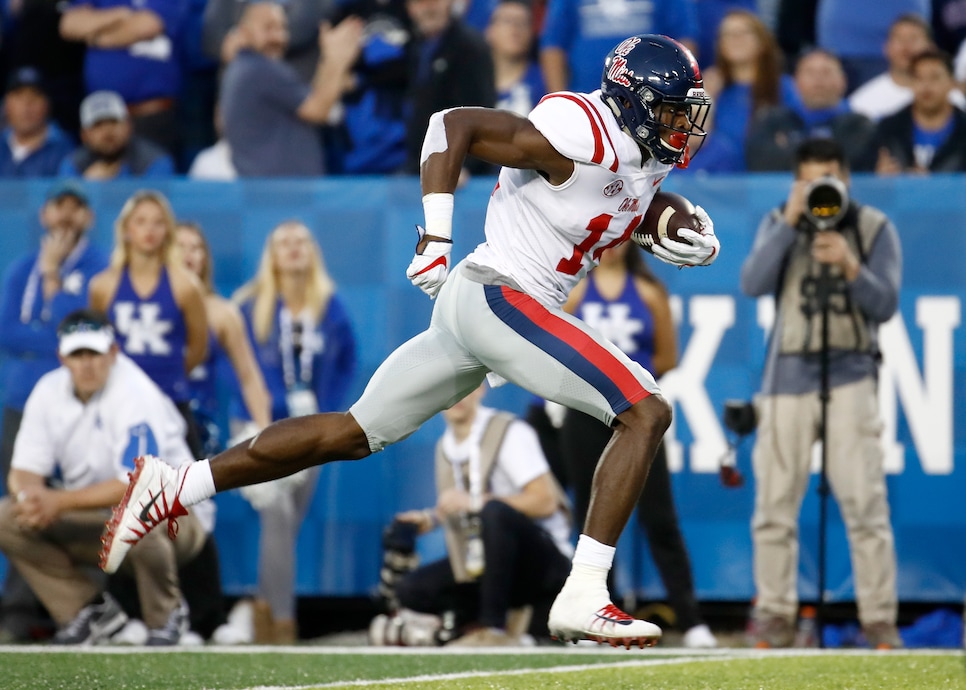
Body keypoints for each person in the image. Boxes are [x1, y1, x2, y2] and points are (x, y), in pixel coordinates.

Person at [100, 33, 720, 648]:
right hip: (500, 295)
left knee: (350, 432)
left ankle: (177, 484)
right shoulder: (580, 129)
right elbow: (452, 126)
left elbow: (621, 197)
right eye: (669, 110)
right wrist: (435, 235)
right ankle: (584, 591)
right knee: (645, 410)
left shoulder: (642, 152)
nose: (680, 126)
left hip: (479, 310)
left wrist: (668, 220)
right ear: (631, 100)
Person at [739, 138, 902, 650]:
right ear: (795, 182)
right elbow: (752, 283)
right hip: (785, 379)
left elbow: (886, 305)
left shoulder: (874, 227)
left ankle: (878, 620)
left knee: (866, 506)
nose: (820, 189)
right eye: (808, 180)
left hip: (851, 375)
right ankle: (774, 616)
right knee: (773, 506)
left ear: (847, 177)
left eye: (828, 177)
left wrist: (853, 266)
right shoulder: (779, 221)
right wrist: (789, 224)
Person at [0, 309, 207, 645]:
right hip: (95, 516)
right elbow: (23, 470)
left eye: (94, 353)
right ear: (62, 357)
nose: (86, 363)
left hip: (176, 519)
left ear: (113, 353)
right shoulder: (47, 391)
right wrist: (31, 500)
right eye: (77, 354)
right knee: (7, 517)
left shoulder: (135, 390)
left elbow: (141, 483)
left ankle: (166, 617)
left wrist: (58, 501)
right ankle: (87, 612)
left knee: (142, 514)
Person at [558, 242, 717, 649]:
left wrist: (628, 388)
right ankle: (590, 614)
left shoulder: (649, 292)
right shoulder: (576, 289)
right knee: (588, 513)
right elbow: (557, 350)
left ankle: (692, 620)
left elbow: (667, 355)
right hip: (586, 414)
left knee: (659, 517)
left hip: (636, 416)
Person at [230, 220, 357, 644]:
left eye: (301, 240)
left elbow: (347, 358)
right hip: (259, 422)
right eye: (284, 241)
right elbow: (238, 369)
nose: (294, 248)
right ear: (272, 254)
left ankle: (264, 610)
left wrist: (327, 408)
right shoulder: (250, 307)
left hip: (311, 427)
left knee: (289, 524)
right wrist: (268, 411)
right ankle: (284, 624)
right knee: (278, 514)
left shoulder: (329, 305)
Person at [0, 180, 109, 642]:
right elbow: (7, 331)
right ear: (44, 215)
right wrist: (45, 329)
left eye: (75, 208)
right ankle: (21, 613)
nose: (65, 217)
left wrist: (51, 283)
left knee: (79, 504)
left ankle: (88, 606)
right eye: (57, 207)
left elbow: (79, 332)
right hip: (21, 404)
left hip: (79, 403)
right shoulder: (22, 265)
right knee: (25, 506)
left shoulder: (99, 266)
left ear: (87, 217)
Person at [385, 384, 572, 647]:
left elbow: (545, 501)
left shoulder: (508, 431)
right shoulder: (445, 446)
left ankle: (492, 628)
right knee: (411, 589)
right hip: (484, 563)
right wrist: (430, 519)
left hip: (541, 564)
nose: (456, 396)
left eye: (465, 386)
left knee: (494, 514)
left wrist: (475, 502)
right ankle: (467, 627)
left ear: (480, 389)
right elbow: (462, 504)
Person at [218, 2, 364, 177]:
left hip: (270, 191)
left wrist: (331, 63)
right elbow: (318, 109)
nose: (277, 37)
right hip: (280, 194)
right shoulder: (260, 69)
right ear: (243, 32)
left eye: (282, 28)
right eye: (268, 28)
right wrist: (335, 59)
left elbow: (312, 97)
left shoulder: (242, 68)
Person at [174, 221, 271, 459]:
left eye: (196, 248)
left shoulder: (223, 313)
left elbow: (249, 378)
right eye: (180, 246)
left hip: (199, 428)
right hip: (153, 417)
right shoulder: (146, 308)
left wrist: (266, 437)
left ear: (205, 258)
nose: (189, 254)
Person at [58, 0, 185, 156]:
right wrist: (119, 14)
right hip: (102, 117)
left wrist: (97, 38)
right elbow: (70, 25)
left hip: (151, 114)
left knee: (153, 173)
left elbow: (147, 26)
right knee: (100, 175)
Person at [402, 0, 496, 175]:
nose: (429, 7)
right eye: (420, 3)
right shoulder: (414, 47)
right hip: (423, 164)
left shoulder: (470, 47)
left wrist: (465, 165)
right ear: (410, 8)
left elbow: (482, 112)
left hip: (460, 170)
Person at [745, 49, 876, 172]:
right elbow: (760, 163)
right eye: (810, 72)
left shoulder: (859, 125)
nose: (818, 80)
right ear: (796, 82)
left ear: (843, 81)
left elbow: (858, 164)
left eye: (827, 72)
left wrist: (790, 148)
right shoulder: (771, 121)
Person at [695, 9, 793, 173]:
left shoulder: (783, 87)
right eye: (728, 34)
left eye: (743, 33)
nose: (735, 39)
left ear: (761, 41)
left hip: (769, 177)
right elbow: (695, 141)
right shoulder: (710, 86)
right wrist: (708, 98)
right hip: (723, 179)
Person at [539, 0, 698, 93]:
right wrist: (560, 100)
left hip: (652, 99)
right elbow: (553, 45)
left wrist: (679, 94)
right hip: (587, 98)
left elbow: (684, 41)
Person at [848, 14, 966, 120]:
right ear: (886, 48)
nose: (906, 46)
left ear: (931, 48)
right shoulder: (863, 102)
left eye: (913, 39)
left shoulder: (952, 98)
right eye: (899, 39)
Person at [869, 48, 966, 174]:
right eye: (919, 78)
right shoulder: (889, 128)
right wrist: (878, 175)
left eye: (934, 77)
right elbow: (864, 173)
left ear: (952, 82)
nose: (926, 86)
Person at [58, 91, 176, 179]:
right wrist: (87, 186)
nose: (107, 131)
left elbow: (154, 207)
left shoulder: (154, 160)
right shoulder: (72, 164)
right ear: (84, 135)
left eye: (114, 122)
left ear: (129, 126)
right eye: (98, 125)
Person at [0, 66, 75, 177]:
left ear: (47, 104)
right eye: (19, 96)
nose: (27, 105)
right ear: (6, 104)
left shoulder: (66, 149)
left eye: (35, 96)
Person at [486, 0, 547, 117]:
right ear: (490, 30)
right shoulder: (473, 81)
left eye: (522, 23)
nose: (514, 29)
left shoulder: (544, 81)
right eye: (507, 21)